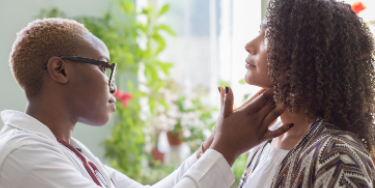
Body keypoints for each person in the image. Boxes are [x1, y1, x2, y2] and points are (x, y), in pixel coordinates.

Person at [0, 18, 293, 188]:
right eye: (103, 67)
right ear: (60, 70)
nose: (112, 84)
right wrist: (225, 149)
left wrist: (213, 145)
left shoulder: (69, 149)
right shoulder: (24, 155)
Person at [238, 0, 375, 187]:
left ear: (306, 52)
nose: (249, 45)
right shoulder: (266, 141)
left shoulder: (337, 156)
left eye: (268, 34)